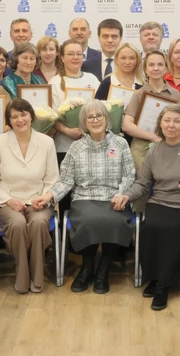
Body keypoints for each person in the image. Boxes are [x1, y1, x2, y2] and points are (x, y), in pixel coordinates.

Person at [114, 105, 180, 311]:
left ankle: (164, 284)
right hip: (160, 201)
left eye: (177, 121)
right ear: (160, 123)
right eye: (167, 120)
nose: (171, 125)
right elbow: (143, 183)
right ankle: (155, 276)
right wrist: (126, 195)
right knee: (150, 227)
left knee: (171, 228)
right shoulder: (155, 150)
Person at [33, 100, 135, 294]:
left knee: (115, 221)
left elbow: (129, 175)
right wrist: (49, 196)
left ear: (106, 119)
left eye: (99, 116)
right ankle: (87, 266)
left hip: (114, 197)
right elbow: (65, 180)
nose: (95, 120)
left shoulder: (120, 143)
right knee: (89, 220)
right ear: (84, 122)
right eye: (90, 117)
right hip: (84, 197)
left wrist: (122, 194)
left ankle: (104, 268)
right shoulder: (76, 147)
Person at [0, 99, 60, 293]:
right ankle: (23, 274)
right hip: (6, 202)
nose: (20, 120)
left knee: (38, 223)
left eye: (23, 114)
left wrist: (44, 197)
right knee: (17, 223)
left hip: (38, 201)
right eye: (14, 116)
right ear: (9, 121)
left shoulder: (47, 142)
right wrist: (8, 200)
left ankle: (37, 276)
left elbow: (53, 180)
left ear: (31, 116)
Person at [122, 49, 180, 173]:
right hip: (141, 150)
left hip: (169, 148)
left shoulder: (175, 94)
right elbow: (126, 125)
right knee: (144, 183)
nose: (156, 68)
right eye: (151, 65)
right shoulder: (138, 94)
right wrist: (152, 137)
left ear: (166, 68)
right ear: (145, 69)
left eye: (160, 64)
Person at [50, 39, 100, 163]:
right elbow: (51, 116)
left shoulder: (92, 79)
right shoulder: (54, 82)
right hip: (64, 146)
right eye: (70, 54)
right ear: (62, 58)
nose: (75, 57)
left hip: (92, 145)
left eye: (79, 54)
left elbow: (101, 108)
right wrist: (67, 131)